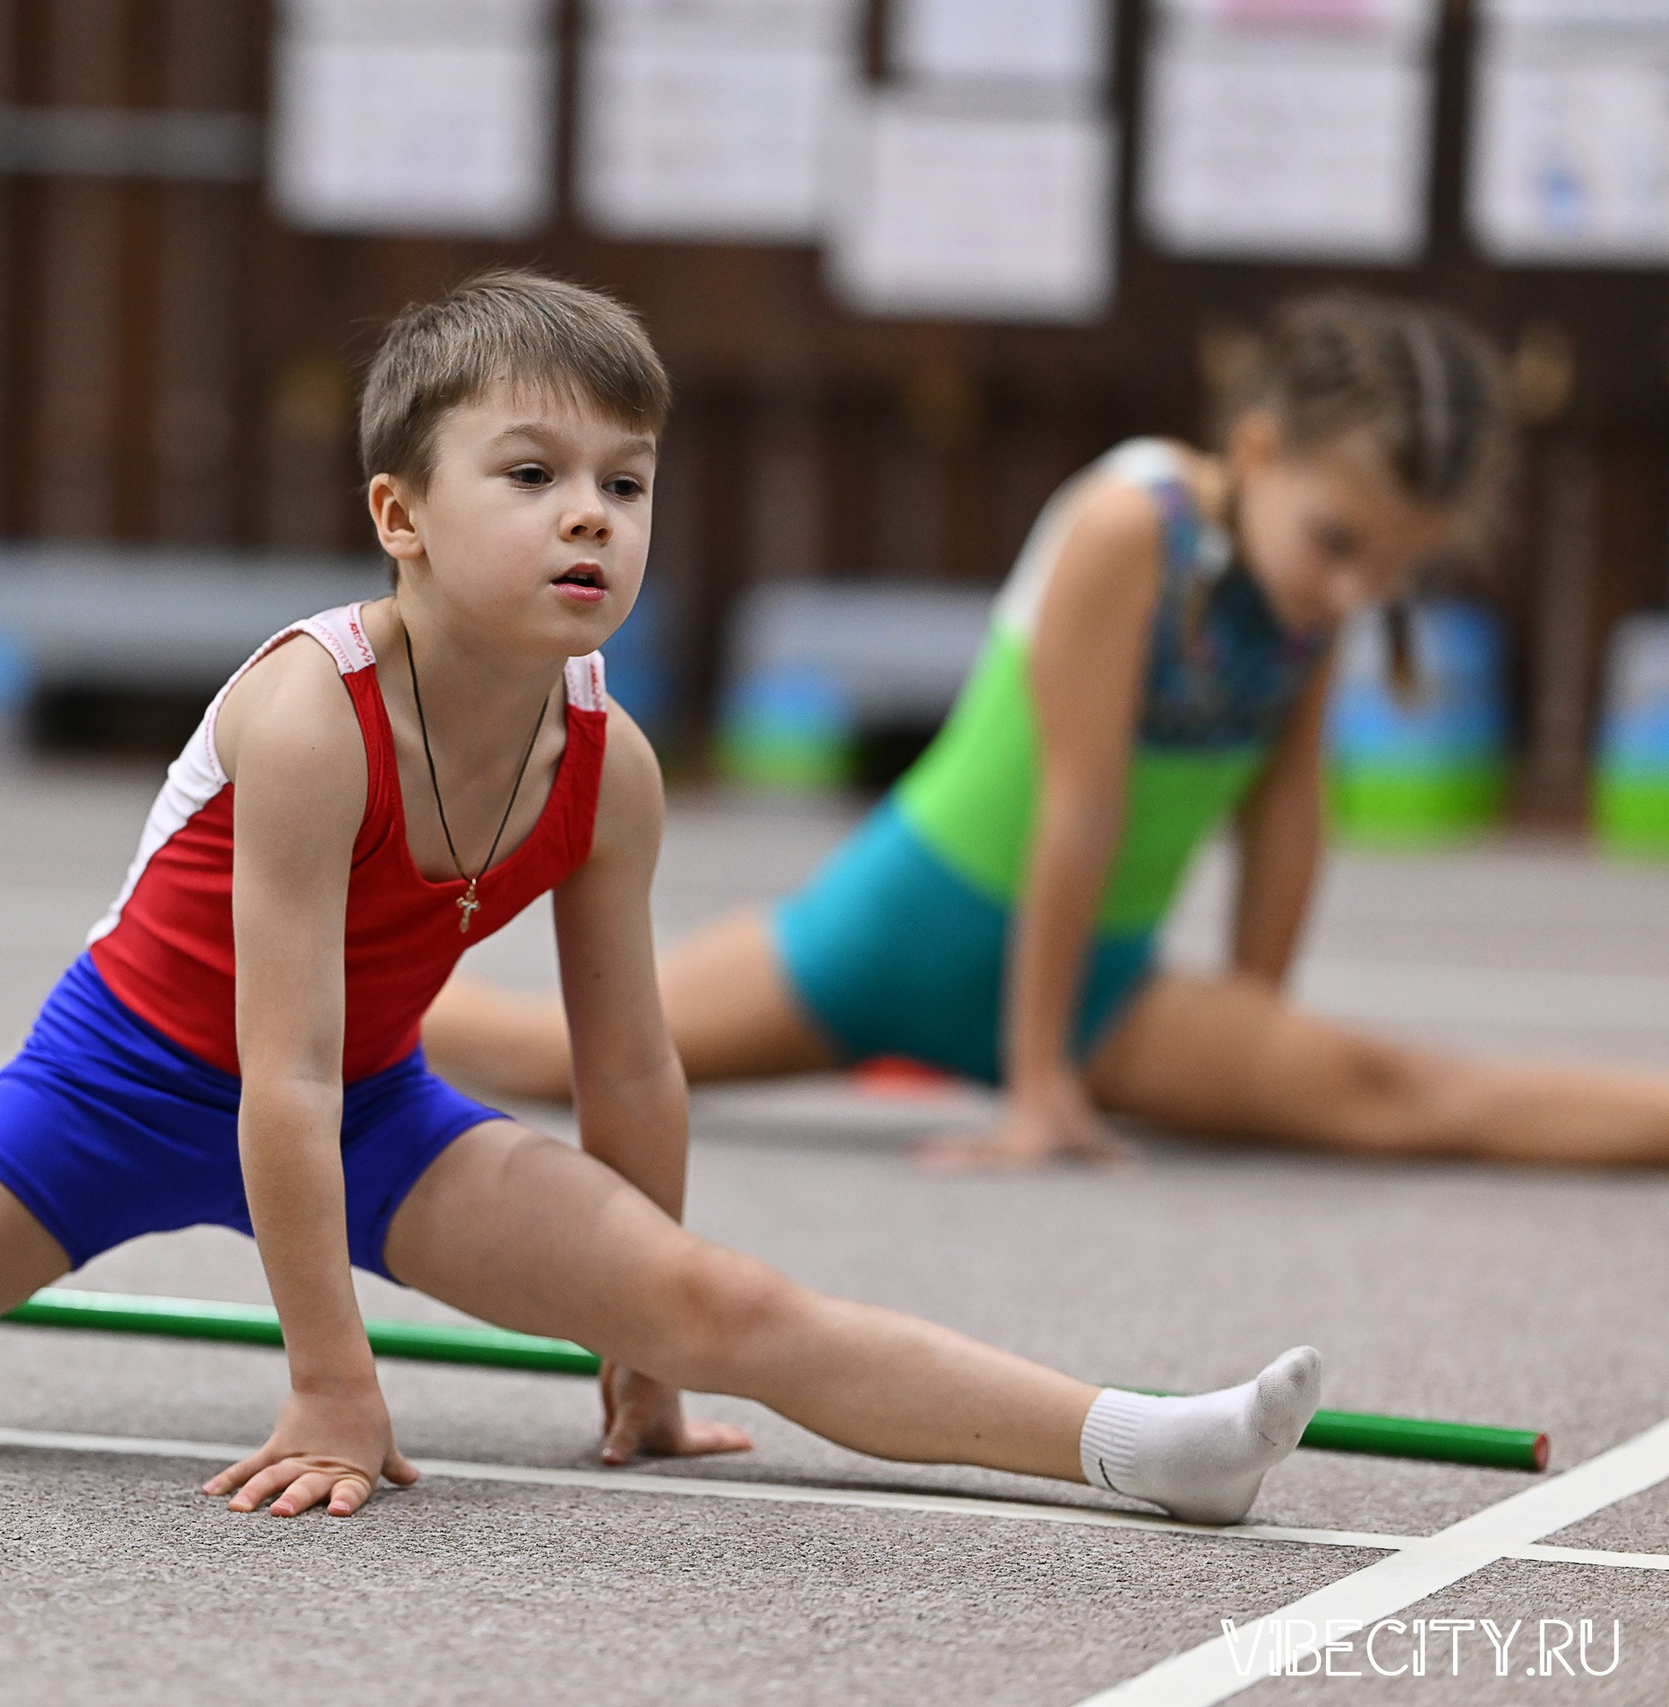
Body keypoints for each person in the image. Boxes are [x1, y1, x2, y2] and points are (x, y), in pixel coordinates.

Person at [0, 272, 1321, 1525]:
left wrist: (638, 1331)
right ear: (397, 516)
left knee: (728, 1308)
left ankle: (1135, 1441)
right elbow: (258, 1079)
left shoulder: (600, 759)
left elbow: (629, 1062)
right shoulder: (306, 716)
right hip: (127, 1082)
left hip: (372, 1105)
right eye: (528, 473)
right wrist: (330, 1376)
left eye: (623, 479)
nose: (588, 514)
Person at [426, 292, 1669, 1168]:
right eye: (1341, 544)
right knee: (552, 1054)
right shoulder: (1136, 523)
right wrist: (1036, 1091)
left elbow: (1287, 817)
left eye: (1390, 570)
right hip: (893, 936)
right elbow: (1079, 806)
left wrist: (1252, 1029)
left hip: (1099, 988)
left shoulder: (1311, 594)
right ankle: (272, 1005)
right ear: (1256, 449)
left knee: (1409, 1097)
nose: (1353, 589)